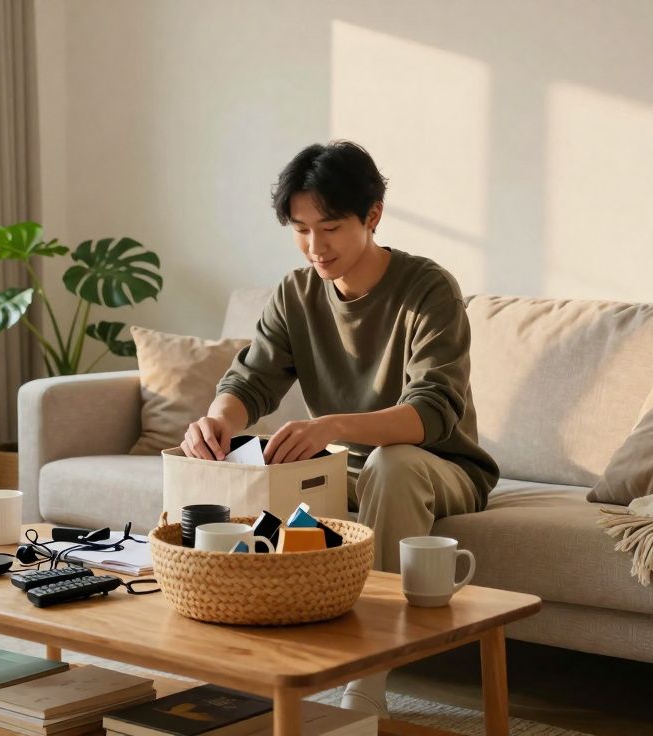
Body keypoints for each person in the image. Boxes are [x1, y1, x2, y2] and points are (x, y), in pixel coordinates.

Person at [180, 140, 499, 716]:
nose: (314, 247)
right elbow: (252, 381)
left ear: (372, 215)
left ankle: (367, 675)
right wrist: (216, 423)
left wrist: (331, 426)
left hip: (441, 466)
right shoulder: (296, 293)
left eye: (329, 228)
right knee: (251, 463)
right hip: (337, 473)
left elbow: (432, 410)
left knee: (392, 462)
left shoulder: (428, 288)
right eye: (300, 229)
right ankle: (236, 659)